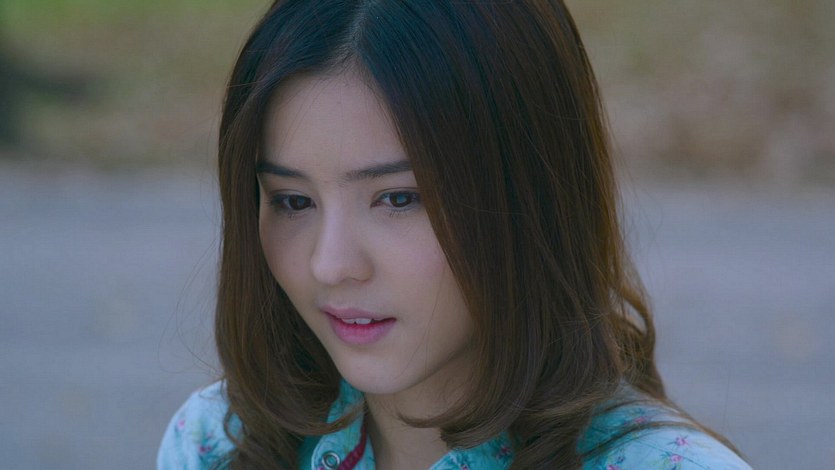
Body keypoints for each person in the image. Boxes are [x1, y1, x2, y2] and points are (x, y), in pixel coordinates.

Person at [158, 1, 751, 468]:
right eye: (293, 201)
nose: (331, 265)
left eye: (398, 198)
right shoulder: (219, 443)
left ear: (529, 196)